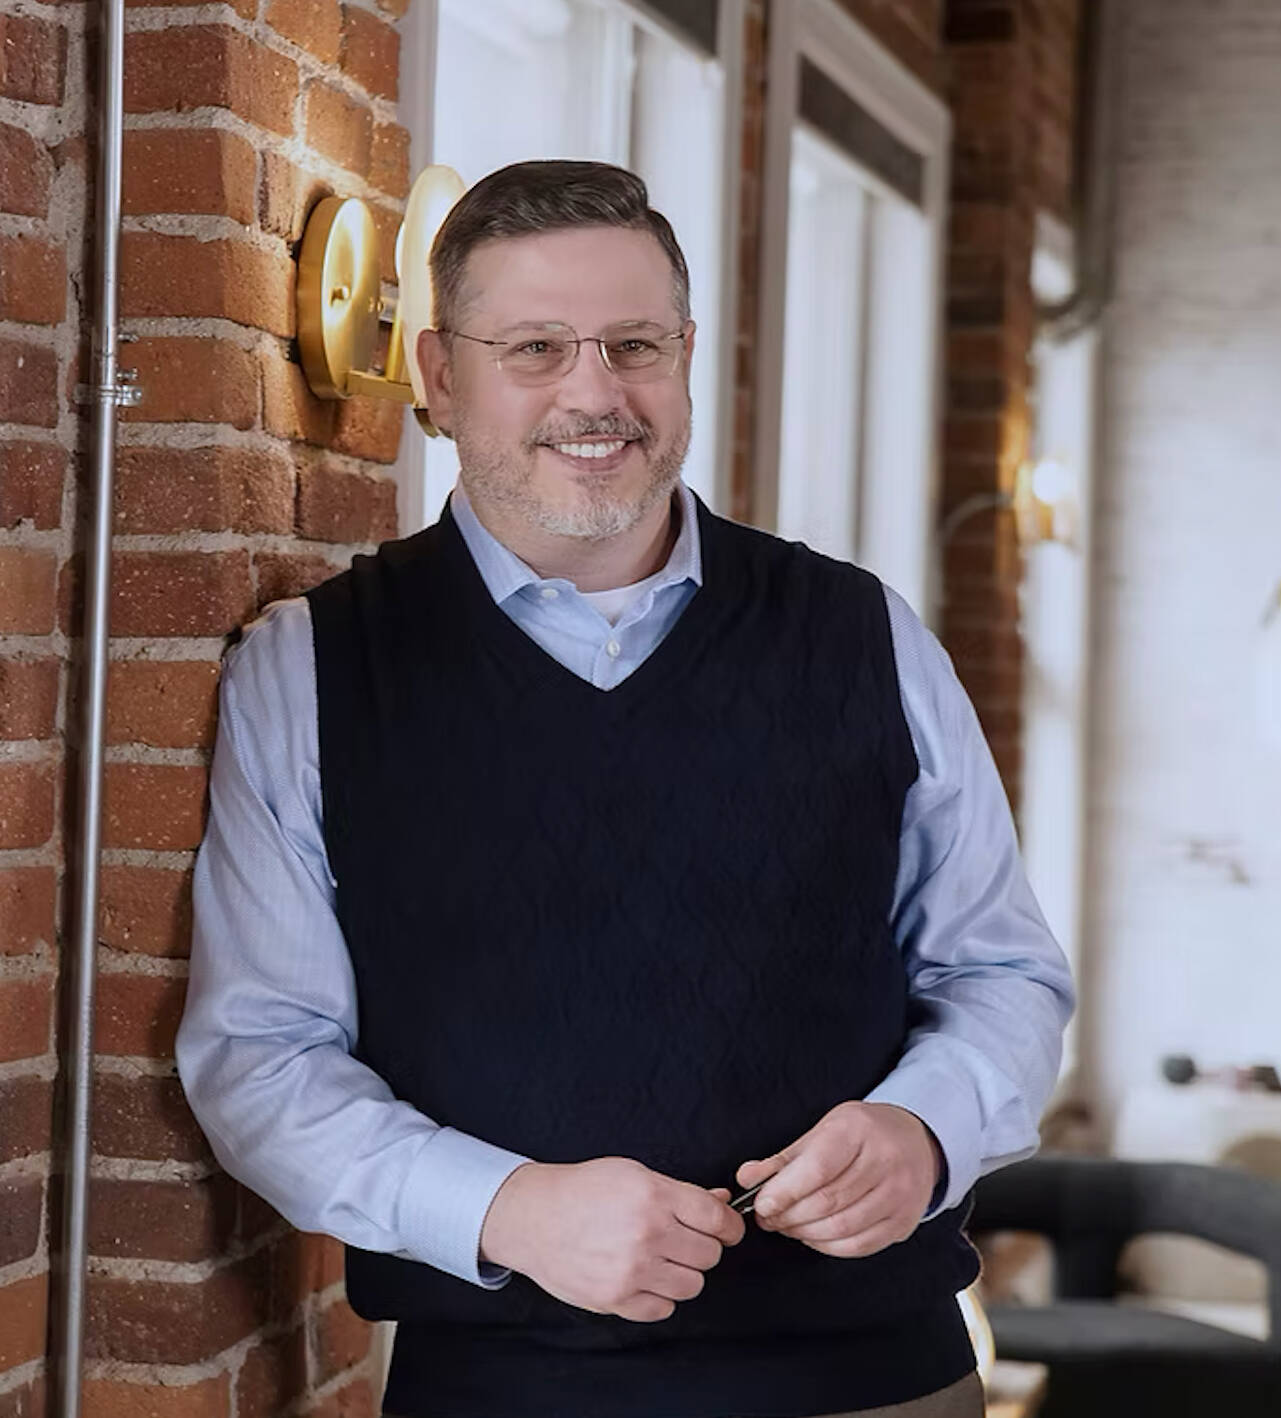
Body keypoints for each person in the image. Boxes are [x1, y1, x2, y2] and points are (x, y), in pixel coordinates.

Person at [177, 159, 1074, 1418]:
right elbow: (260, 1057)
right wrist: (505, 1206)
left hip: (882, 1380)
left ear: (686, 357)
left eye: (635, 345)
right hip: (498, 1393)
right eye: (535, 347)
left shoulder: (863, 633)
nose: (594, 392)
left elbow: (1002, 971)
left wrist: (925, 1130)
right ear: (440, 375)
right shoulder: (312, 669)